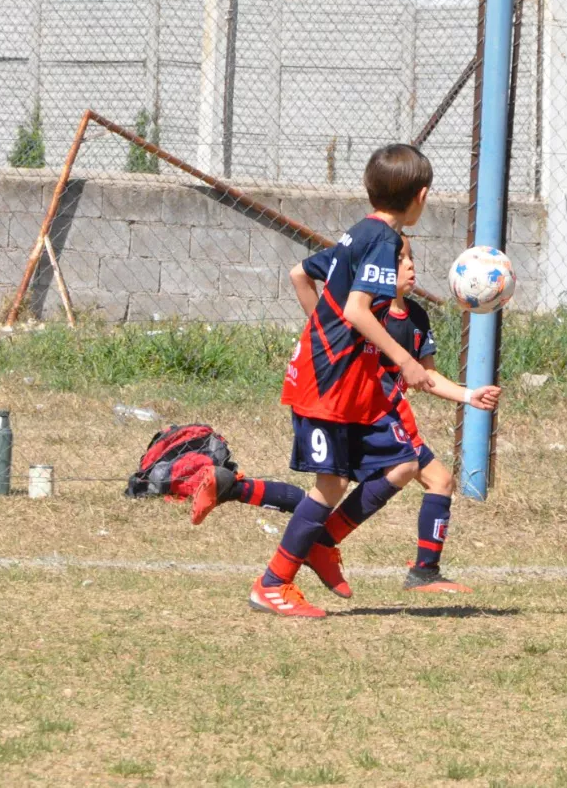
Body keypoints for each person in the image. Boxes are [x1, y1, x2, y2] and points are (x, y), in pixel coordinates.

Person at [194, 236, 500, 595]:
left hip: (384, 412)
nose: (410, 265)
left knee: (411, 482)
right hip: (364, 410)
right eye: (400, 259)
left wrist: (468, 395)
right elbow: (313, 297)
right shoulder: (368, 310)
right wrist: (326, 337)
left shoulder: (416, 316)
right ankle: (325, 546)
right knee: (347, 486)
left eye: (411, 258)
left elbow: (425, 376)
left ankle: (242, 491)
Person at [248, 143, 434, 619]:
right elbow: (355, 310)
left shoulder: (360, 232)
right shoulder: (384, 241)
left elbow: (300, 273)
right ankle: (273, 583)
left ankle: (323, 545)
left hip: (345, 379)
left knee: (404, 463)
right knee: (329, 485)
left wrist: (326, 336)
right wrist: (405, 361)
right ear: (422, 196)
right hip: (328, 383)